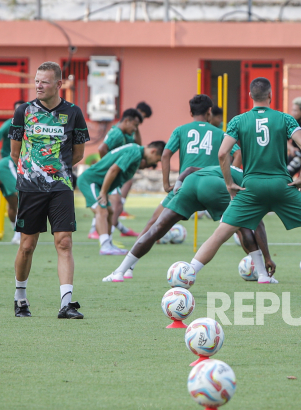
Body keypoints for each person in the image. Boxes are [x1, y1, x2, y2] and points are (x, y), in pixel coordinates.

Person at [187, 78, 301, 292]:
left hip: (251, 187)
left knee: (220, 233)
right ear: (271, 96)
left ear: (250, 96)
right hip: (282, 185)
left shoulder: (238, 121)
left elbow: (222, 153)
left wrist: (230, 182)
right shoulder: (285, 119)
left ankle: (187, 276)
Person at [9, 61, 90, 319]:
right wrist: (34, 171)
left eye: (44, 81)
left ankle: (66, 304)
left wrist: (55, 171)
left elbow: (77, 154)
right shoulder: (23, 111)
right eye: (36, 81)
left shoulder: (74, 113)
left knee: (64, 242)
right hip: (30, 186)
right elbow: (15, 151)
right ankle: (20, 297)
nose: (38, 86)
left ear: (58, 84)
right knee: (27, 245)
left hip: (61, 186)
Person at [102, 165, 274, 282]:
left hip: (191, 182)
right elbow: (258, 225)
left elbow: (190, 169)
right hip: (214, 187)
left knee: (157, 229)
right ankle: (263, 275)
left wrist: (178, 184)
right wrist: (267, 257)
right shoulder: (253, 184)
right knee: (243, 227)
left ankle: (119, 272)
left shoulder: (231, 168)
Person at [138, 96, 241, 236]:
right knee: (238, 224)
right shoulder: (220, 133)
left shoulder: (180, 130)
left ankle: (132, 255)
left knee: (154, 223)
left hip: (186, 186)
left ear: (191, 113)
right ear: (209, 111)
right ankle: (256, 256)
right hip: (211, 186)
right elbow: (238, 154)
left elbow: (165, 155)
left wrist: (167, 185)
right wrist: (229, 181)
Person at [78, 142, 164, 255]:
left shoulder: (136, 152)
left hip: (97, 183)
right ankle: (104, 247)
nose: (155, 163)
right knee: (101, 210)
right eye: (157, 159)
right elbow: (113, 170)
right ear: (153, 151)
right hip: (90, 181)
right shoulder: (135, 152)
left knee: (109, 212)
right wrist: (104, 192)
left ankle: (108, 244)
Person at [89, 108, 144, 240]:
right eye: (135, 125)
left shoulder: (123, 134)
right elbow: (102, 148)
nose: (135, 129)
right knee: (115, 204)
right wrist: (107, 166)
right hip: (108, 174)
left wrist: (137, 128)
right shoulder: (117, 134)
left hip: (112, 173)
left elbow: (138, 146)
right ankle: (100, 233)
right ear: (126, 121)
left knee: (111, 205)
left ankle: (105, 232)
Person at [0, 155, 20, 245]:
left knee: (13, 205)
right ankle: (18, 235)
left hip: (6, 164)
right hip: (8, 165)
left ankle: (17, 233)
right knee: (23, 196)